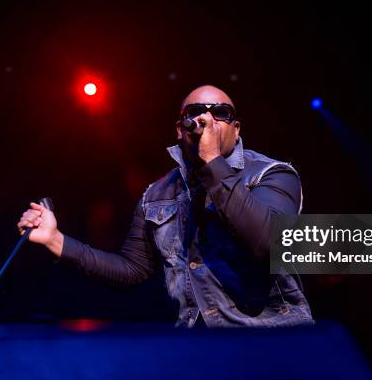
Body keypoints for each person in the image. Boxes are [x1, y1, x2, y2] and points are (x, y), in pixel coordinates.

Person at [17, 85, 314, 328]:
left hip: (273, 343)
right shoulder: (157, 194)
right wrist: (56, 240)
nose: (206, 120)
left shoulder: (272, 174)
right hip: (197, 351)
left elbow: (269, 244)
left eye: (220, 114)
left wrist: (212, 161)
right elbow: (131, 270)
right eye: (195, 112)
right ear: (179, 128)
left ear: (236, 130)